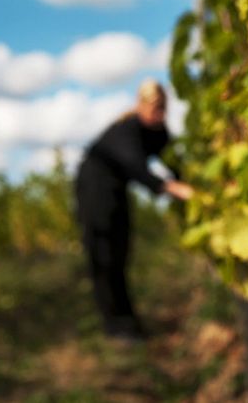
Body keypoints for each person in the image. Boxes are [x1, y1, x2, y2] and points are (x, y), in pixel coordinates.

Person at [75, 79, 193, 340]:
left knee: (120, 252)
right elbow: (138, 168)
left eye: (163, 108)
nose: (159, 114)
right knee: (104, 256)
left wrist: (195, 184)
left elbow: (174, 162)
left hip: (117, 193)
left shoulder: (158, 132)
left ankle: (126, 321)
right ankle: (116, 325)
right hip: (94, 191)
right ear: (140, 105)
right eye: (154, 108)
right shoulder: (126, 130)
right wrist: (176, 189)